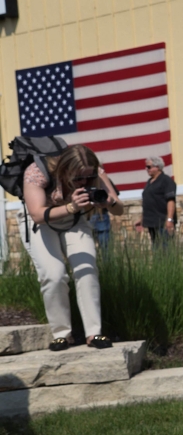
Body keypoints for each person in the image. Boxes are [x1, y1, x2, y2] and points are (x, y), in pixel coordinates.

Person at [21, 145, 123, 350]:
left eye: (89, 176)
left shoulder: (97, 172)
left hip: (75, 221)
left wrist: (108, 202)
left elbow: (119, 209)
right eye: (78, 178)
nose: (84, 182)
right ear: (64, 169)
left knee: (87, 270)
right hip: (41, 224)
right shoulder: (37, 172)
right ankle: (62, 334)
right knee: (54, 275)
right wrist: (71, 206)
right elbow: (37, 215)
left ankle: (94, 333)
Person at [134, 156, 176, 243]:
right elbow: (148, 202)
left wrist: (170, 220)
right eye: (146, 167)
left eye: (149, 167)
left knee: (165, 251)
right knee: (156, 251)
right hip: (151, 223)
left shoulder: (166, 181)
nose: (146, 169)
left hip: (162, 223)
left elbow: (170, 201)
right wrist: (142, 219)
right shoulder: (149, 182)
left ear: (157, 167)